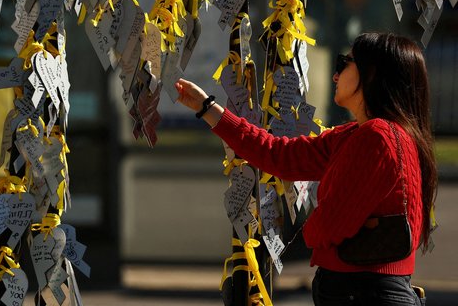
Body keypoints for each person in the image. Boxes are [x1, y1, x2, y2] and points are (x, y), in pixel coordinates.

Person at [175, 32, 436, 306]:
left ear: (371, 73)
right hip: (361, 290)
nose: (335, 76)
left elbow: (330, 225)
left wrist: (312, 231)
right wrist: (208, 108)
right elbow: (279, 154)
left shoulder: (378, 136)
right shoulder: (360, 135)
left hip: (364, 292)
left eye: (344, 64)